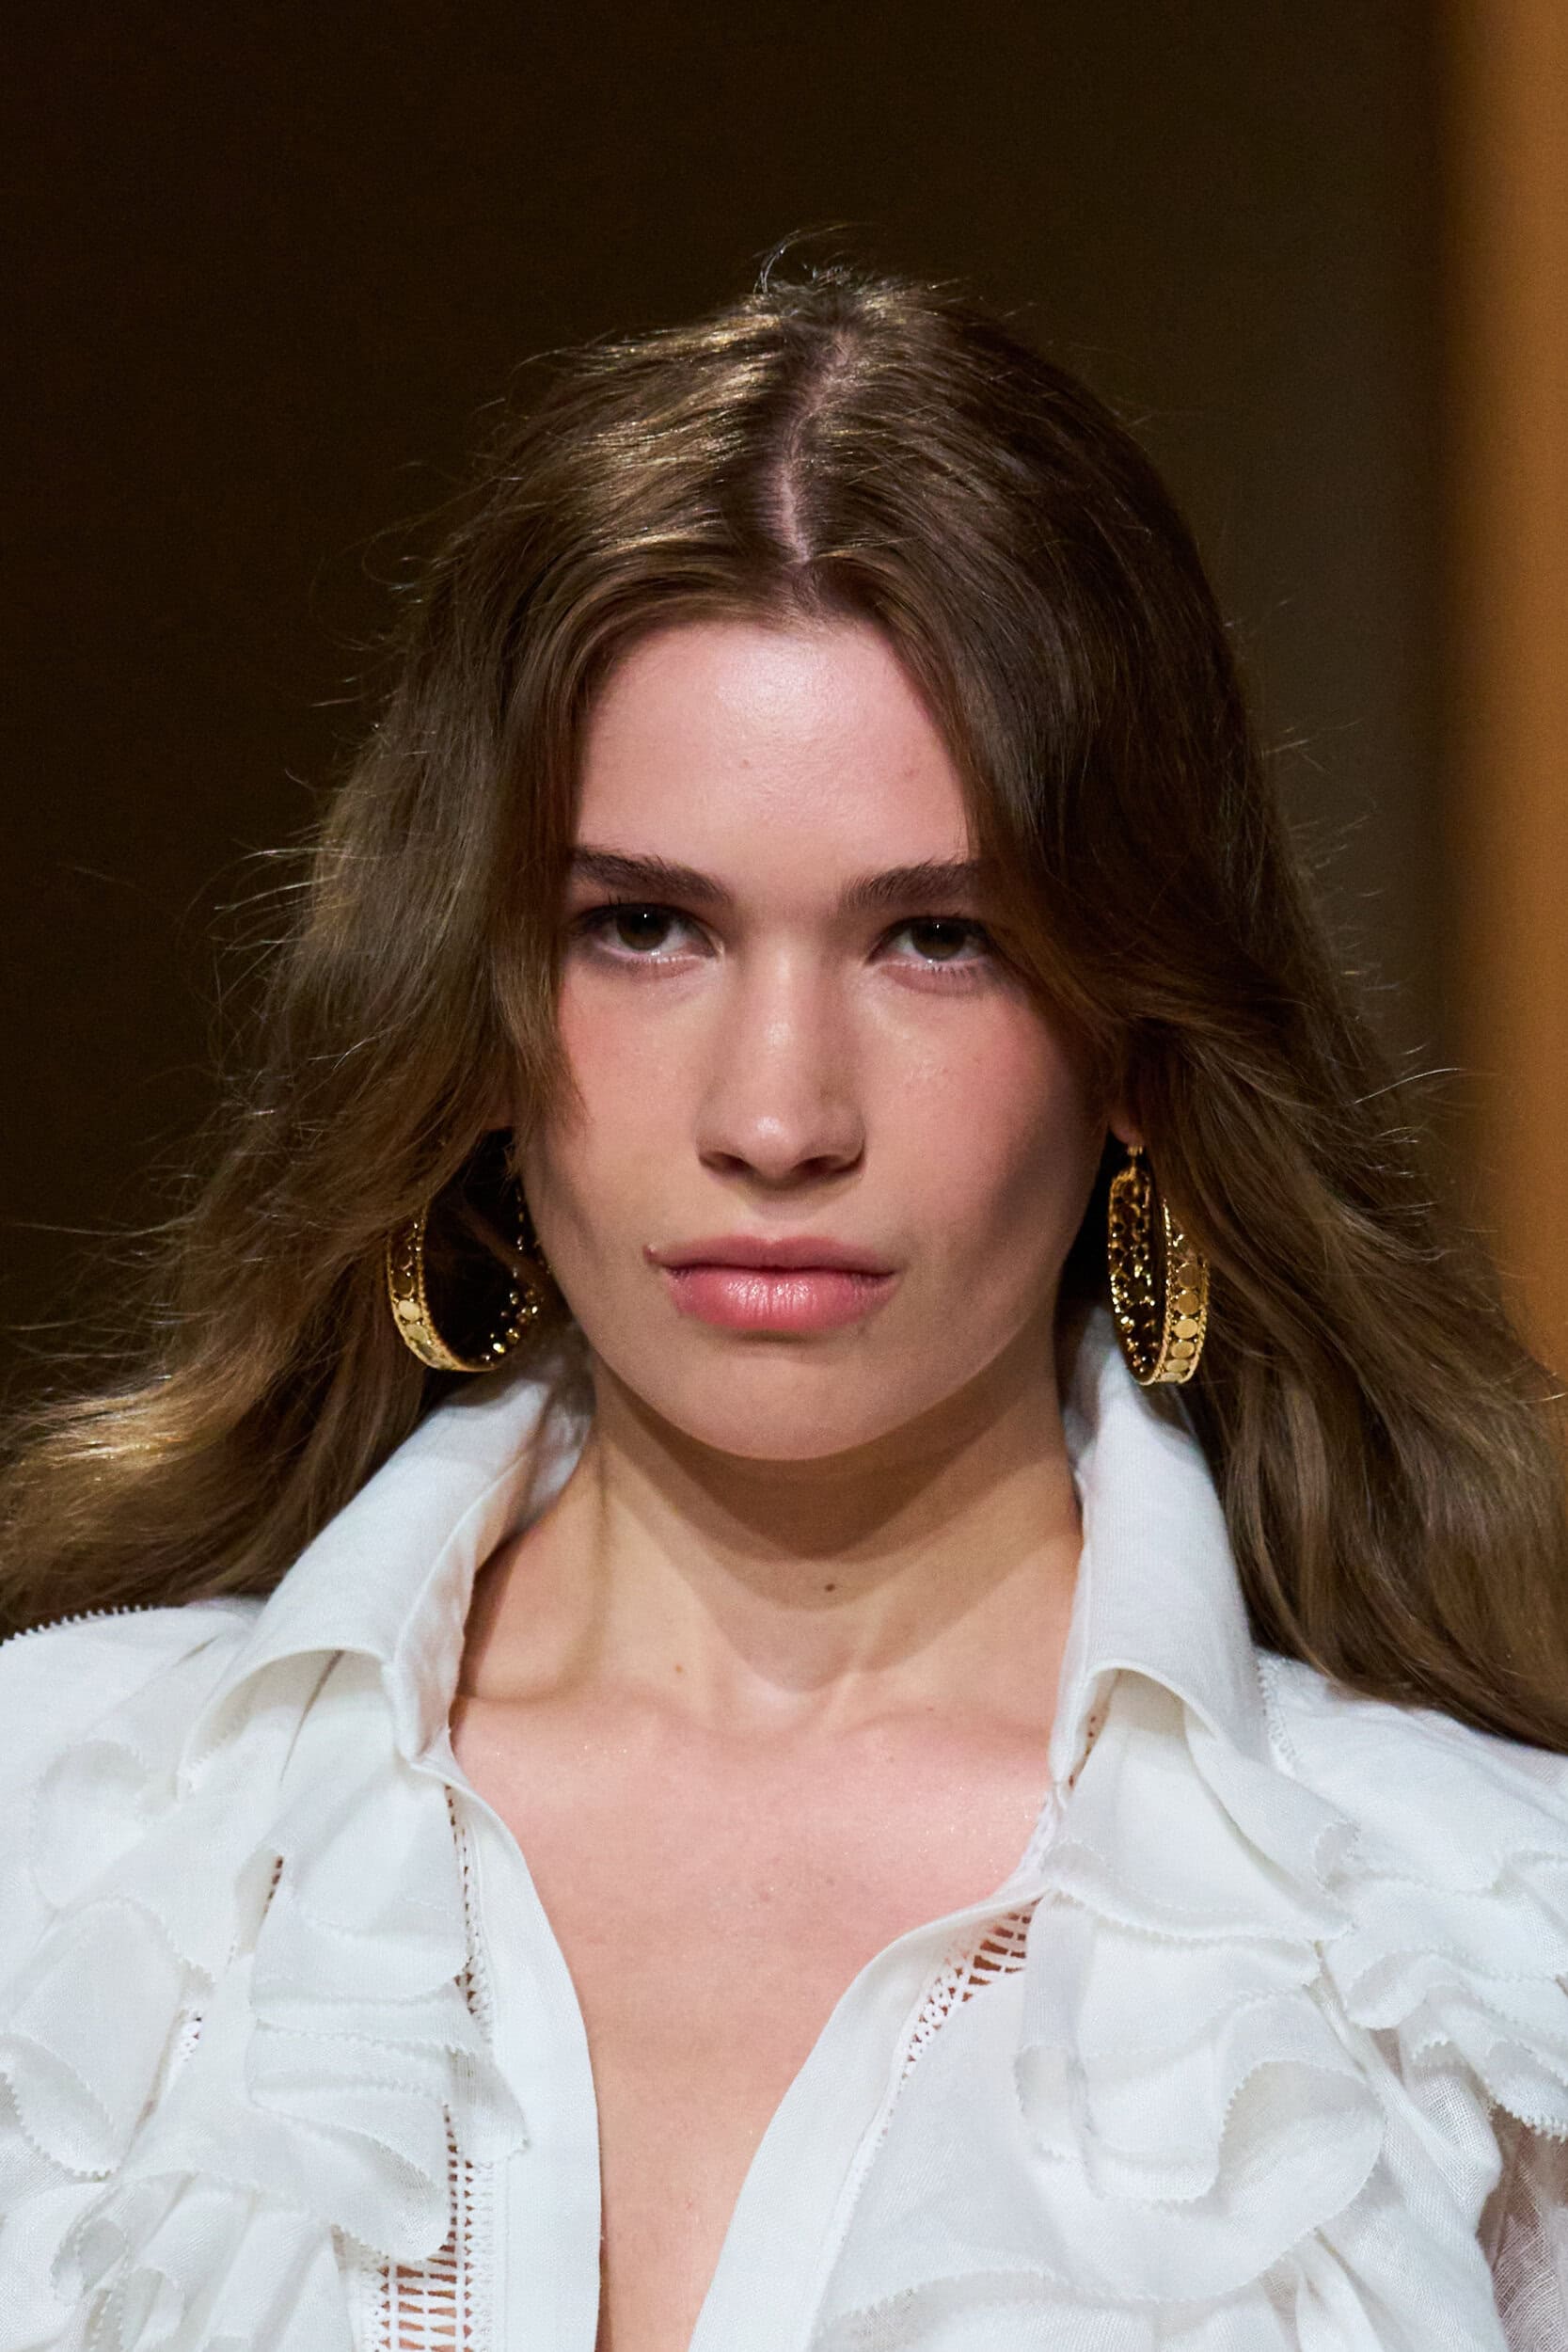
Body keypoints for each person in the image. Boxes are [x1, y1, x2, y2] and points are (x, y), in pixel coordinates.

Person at [2, 264, 1565, 2352]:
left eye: (938, 938)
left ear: (1138, 1035)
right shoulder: (63, 1852)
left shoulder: (1477, 1974)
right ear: (472, 997)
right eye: (645, 926)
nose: (775, 1117)